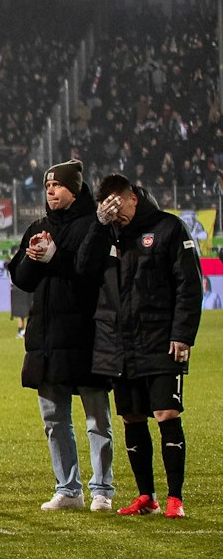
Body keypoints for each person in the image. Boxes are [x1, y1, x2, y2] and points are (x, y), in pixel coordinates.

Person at [81, 174, 201, 518]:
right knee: (132, 418)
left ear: (132, 197)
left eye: (118, 204)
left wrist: (182, 334)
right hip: (120, 343)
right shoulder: (107, 233)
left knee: (166, 414)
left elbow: (189, 285)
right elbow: (83, 269)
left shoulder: (169, 228)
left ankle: (175, 498)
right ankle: (146, 496)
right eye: (107, 207)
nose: (115, 212)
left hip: (160, 340)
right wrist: (98, 225)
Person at [6, 162, 115, 512]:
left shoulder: (95, 225)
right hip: (47, 336)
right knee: (54, 420)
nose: (51, 190)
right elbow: (22, 279)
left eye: (58, 185)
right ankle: (68, 489)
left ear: (75, 189)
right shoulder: (38, 227)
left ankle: (102, 490)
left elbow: (87, 273)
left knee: (97, 418)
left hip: (86, 333)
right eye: (47, 185)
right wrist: (32, 258)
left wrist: (54, 257)